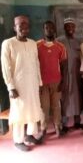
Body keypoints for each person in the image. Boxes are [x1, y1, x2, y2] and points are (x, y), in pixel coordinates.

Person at [1, 15, 44, 151]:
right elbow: (5, 67)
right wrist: (10, 87)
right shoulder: (8, 43)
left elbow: (36, 63)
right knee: (19, 111)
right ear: (15, 27)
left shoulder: (32, 43)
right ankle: (18, 140)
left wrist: (39, 82)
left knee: (33, 109)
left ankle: (30, 135)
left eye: (26, 25)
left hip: (32, 83)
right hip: (18, 85)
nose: (24, 27)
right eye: (21, 25)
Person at [37, 21, 66, 138]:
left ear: (55, 29)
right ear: (43, 29)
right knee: (44, 107)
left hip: (56, 81)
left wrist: (62, 81)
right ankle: (43, 129)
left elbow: (63, 65)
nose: (49, 30)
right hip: (42, 82)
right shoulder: (37, 45)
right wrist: (37, 82)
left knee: (56, 106)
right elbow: (34, 64)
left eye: (51, 28)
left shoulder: (60, 46)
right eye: (47, 28)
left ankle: (58, 127)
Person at [57, 18, 83, 132]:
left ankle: (77, 122)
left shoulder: (79, 41)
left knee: (77, 98)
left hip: (77, 75)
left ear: (75, 28)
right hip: (65, 75)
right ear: (64, 28)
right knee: (65, 99)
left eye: (72, 26)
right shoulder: (59, 41)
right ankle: (65, 124)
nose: (70, 29)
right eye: (68, 26)